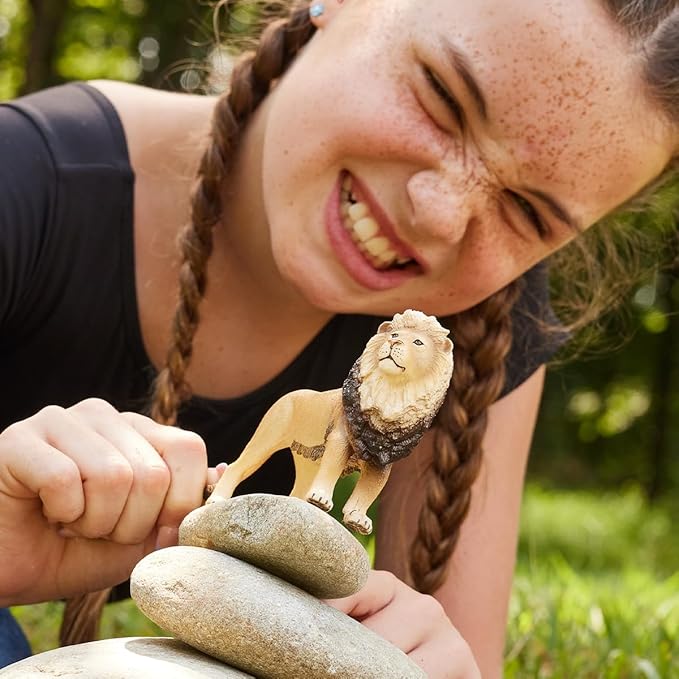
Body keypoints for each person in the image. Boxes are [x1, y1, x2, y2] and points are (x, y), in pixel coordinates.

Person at [0, 0, 676, 676]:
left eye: (527, 211)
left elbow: (463, 647)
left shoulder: (468, 326)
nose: (438, 214)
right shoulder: (24, 180)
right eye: (441, 97)